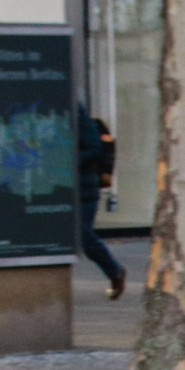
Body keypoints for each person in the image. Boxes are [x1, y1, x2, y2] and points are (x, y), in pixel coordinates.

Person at [76, 104, 126, 300]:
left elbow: (94, 149)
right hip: (63, 184)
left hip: (84, 186)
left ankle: (115, 272)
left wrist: (66, 160)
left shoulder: (76, 112)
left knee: (83, 235)